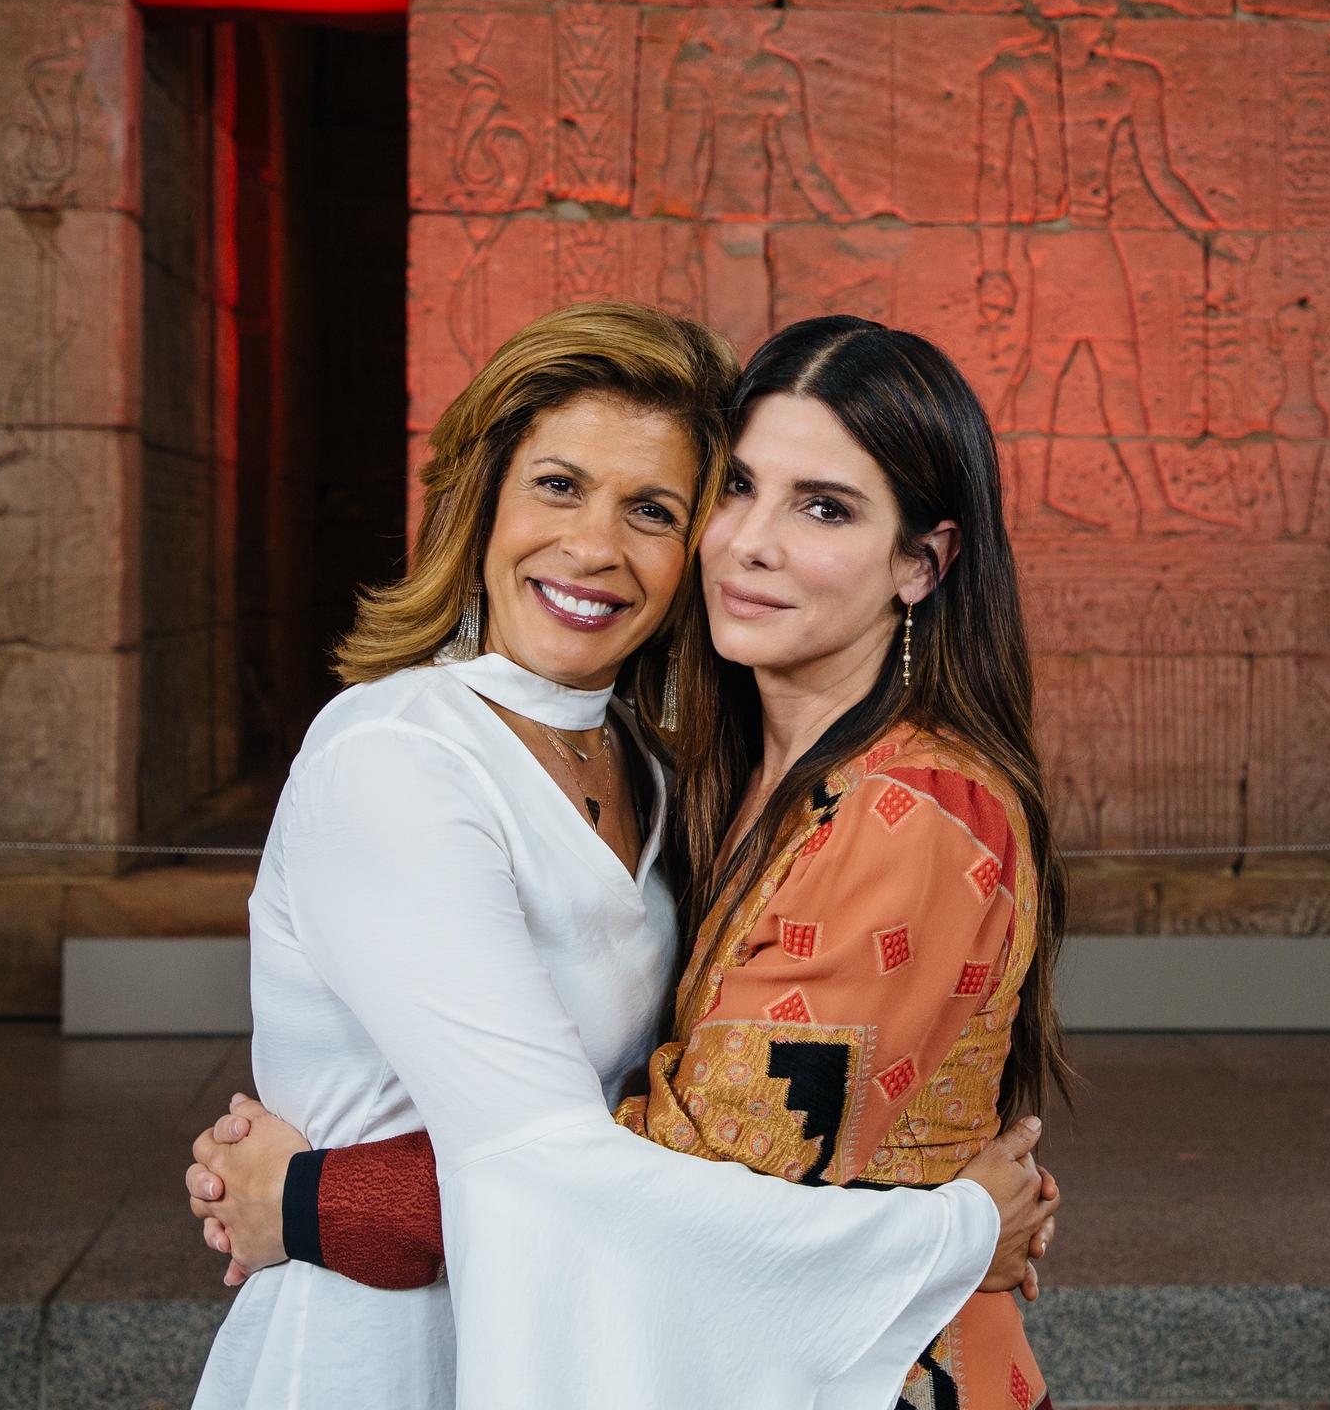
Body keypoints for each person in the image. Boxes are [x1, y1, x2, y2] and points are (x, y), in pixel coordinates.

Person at [191, 315, 1074, 1409]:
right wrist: (958, 1229)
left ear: (923, 561)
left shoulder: (872, 806)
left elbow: (671, 1166)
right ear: (484, 501)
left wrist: (314, 1196)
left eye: (655, 509)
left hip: (793, 1361)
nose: (749, 540)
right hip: (392, 1356)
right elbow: (568, 1159)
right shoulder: (408, 753)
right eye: (559, 486)